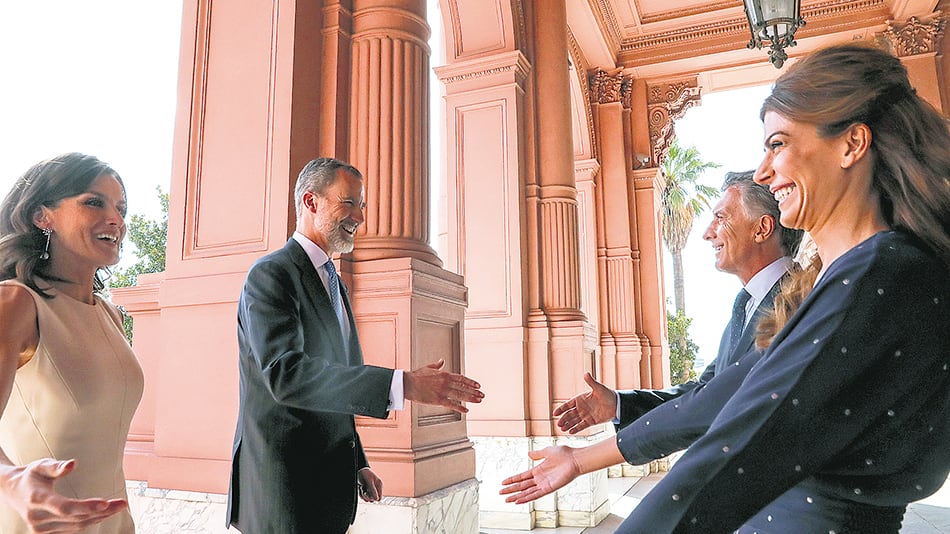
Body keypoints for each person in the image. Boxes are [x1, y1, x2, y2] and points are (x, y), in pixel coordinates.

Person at [502, 43, 950, 533]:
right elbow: (724, 392)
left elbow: (730, 444)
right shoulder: (871, 274)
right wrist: (586, 451)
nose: (763, 170)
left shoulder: (880, 273)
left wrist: (585, 459)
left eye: (777, 144)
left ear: (851, 144)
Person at [227, 157, 486, 534]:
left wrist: (357, 460)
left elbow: (336, 378)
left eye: (361, 205)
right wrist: (404, 384)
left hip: (328, 485)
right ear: (310, 202)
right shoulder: (271, 275)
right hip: (283, 490)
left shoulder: (334, 282)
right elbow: (286, 375)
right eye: (348, 202)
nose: (359, 217)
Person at [554, 171, 802, 435]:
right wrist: (619, 405)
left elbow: (721, 407)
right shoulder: (747, 305)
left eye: (720, 218)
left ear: (762, 228)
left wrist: (586, 460)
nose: (708, 234)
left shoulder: (798, 301)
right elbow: (704, 394)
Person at [0, 153, 143, 533]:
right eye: (93, 202)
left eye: (121, 207)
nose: (116, 219)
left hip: (112, 522)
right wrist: (10, 481)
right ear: (41, 216)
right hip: (39, 522)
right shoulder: (14, 303)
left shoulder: (110, 315)